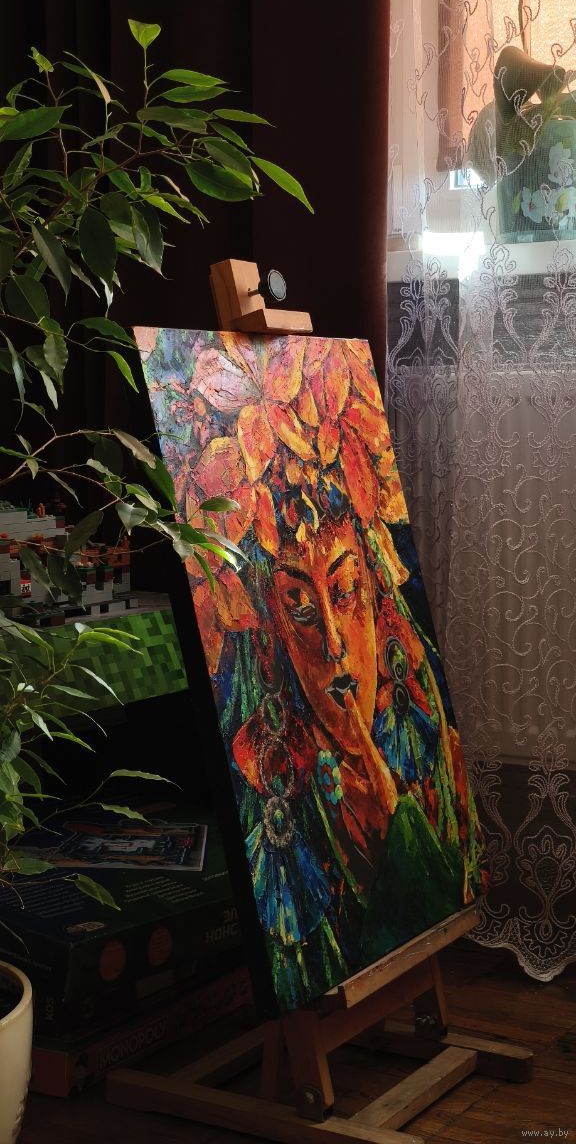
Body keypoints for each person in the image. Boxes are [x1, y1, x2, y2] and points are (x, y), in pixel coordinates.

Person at [140, 329, 488, 1009]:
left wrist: (393, 807)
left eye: (347, 591)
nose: (331, 641)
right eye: (299, 610)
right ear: (270, 637)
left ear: (381, 601)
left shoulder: (435, 761)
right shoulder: (280, 798)